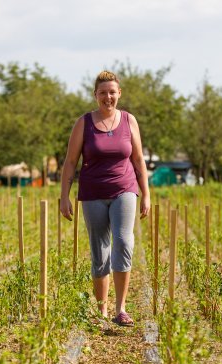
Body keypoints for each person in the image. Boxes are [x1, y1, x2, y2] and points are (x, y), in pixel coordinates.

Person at [60, 70, 150, 327]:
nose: (108, 97)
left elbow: (138, 160)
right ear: (95, 95)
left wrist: (146, 194)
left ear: (119, 93)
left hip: (125, 189)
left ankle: (120, 308)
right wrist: (63, 196)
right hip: (92, 193)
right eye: (103, 93)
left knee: (123, 241)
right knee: (100, 251)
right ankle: (101, 310)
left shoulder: (129, 121)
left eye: (112, 92)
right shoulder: (84, 123)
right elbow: (70, 162)